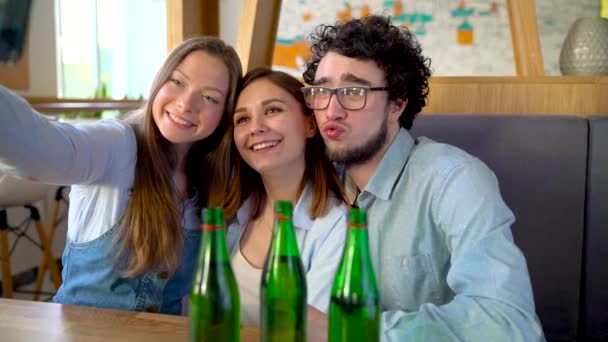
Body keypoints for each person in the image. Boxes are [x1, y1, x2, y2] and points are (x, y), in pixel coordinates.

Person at [301, 15, 545, 341]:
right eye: (322, 91)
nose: (331, 110)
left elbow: (507, 322)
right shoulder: (325, 193)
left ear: (397, 103)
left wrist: (354, 333)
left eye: (353, 91)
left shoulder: (454, 179)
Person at [0, 36, 242, 315]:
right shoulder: (116, 145)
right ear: (159, 81)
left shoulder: (212, 180)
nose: (187, 104)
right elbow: (39, 145)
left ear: (225, 114)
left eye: (210, 97)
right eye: (177, 82)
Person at [222, 68, 348, 336]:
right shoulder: (231, 212)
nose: (256, 128)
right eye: (242, 119)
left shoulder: (335, 224)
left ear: (310, 125)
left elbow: (312, 333)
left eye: (272, 111)